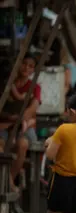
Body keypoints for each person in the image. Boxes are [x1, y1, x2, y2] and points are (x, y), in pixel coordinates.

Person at [0, 53, 41, 193]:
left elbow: (31, 110)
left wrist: (15, 119)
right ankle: (9, 184)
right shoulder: (6, 84)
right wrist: (11, 119)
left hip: (22, 127)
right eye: (24, 63)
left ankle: (8, 181)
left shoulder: (34, 87)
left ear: (33, 70)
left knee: (22, 144)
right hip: (5, 127)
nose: (26, 68)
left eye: (30, 66)